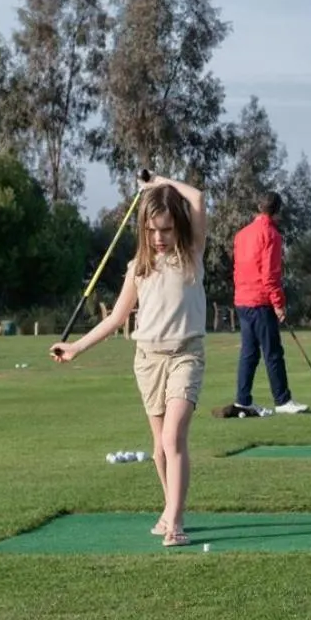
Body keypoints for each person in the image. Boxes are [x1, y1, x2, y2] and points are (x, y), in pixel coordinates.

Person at [50, 177, 206, 547]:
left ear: (178, 227)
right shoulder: (139, 267)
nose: (159, 238)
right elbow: (116, 319)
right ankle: (168, 509)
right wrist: (75, 348)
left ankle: (176, 521)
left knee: (174, 438)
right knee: (159, 447)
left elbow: (197, 197)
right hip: (147, 360)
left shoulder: (193, 253)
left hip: (186, 355)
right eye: (152, 230)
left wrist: (158, 183)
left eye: (166, 229)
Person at [215, 191, 307, 419]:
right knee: (273, 352)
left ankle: (243, 400)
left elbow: (237, 269)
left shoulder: (242, 234)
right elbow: (270, 275)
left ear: (259, 207)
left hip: (243, 300)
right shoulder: (271, 235)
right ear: (278, 211)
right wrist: (278, 304)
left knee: (249, 353)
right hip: (260, 300)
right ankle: (283, 400)